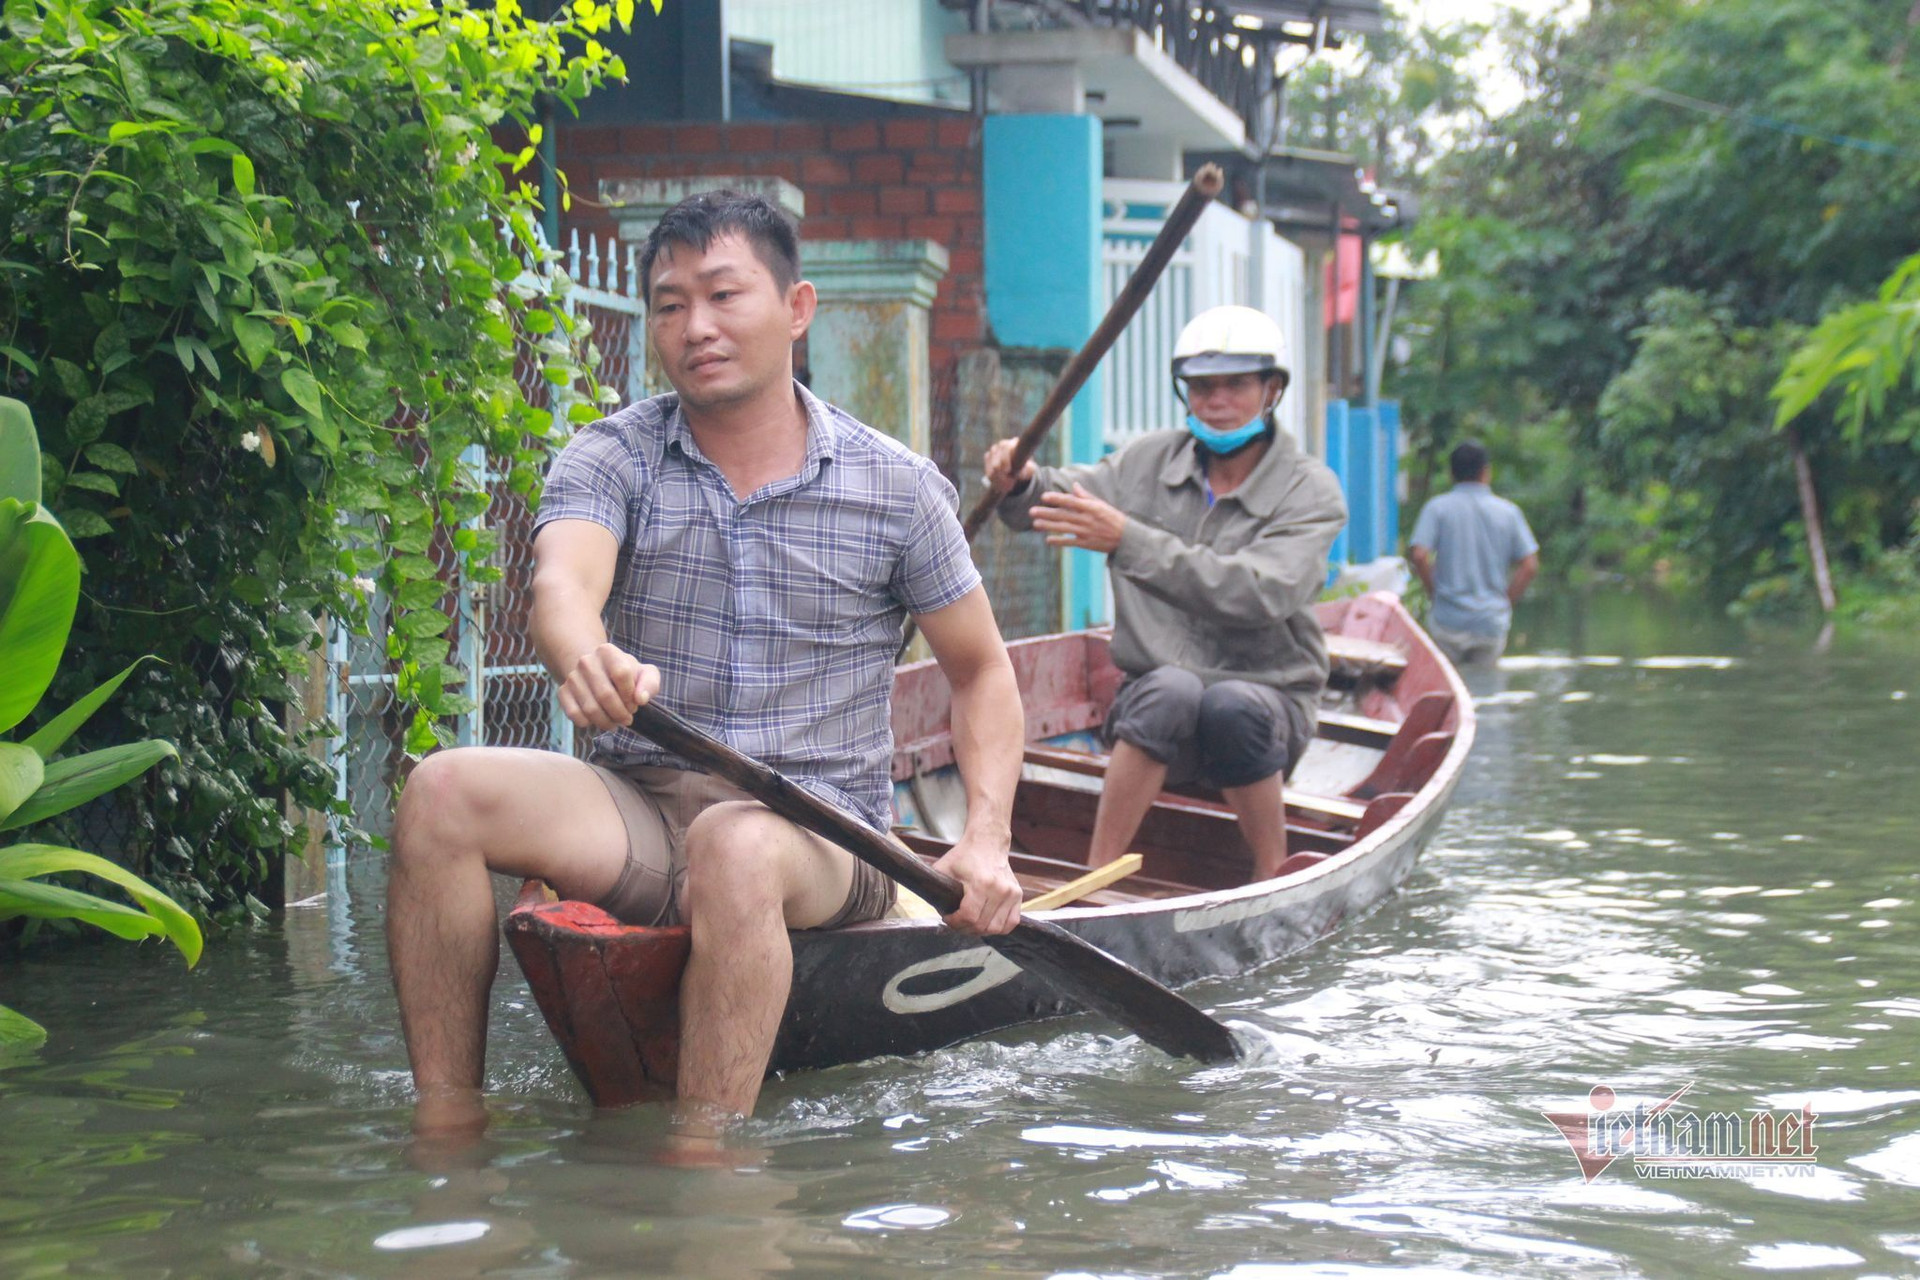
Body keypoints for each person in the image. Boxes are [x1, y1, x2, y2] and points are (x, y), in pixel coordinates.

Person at [385, 190, 1026, 1146]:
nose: (697, 328)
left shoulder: (896, 486)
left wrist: (983, 839)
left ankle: (705, 1164)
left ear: (796, 308)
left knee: (737, 841)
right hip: (641, 808)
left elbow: (980, 671)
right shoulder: (614, 455)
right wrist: (583, 652)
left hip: (821, 831)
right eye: (671, 305)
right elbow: (564, 583)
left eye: (725, 296)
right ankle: (446, 1129)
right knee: (439, 791)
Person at [983, 305, 1346, 882]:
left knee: (1231, 705)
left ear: (1272, 390)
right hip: (1158, 713)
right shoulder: (1149, 460)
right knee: (1170, 690)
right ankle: (1096, 879)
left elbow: (1259, 594)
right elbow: (1061, 496)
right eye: (1203, 388)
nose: (1217, 401)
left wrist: (1130, 540)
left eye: (1236, 386)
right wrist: (1020, 478)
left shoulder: (1311, 490)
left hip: (1267, 707)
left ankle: (1273, 874)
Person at [1407, 440, 1539, 667]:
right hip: (1490, 623)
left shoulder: (1437, 508)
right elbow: (1530, 566)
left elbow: (1419, 555)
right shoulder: (1508, 512)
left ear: (1451, 473)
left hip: (1448, 621)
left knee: (1452, 688)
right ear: (1486, 472)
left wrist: (1434, 592)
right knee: (1487, 686)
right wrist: (1506, 601)